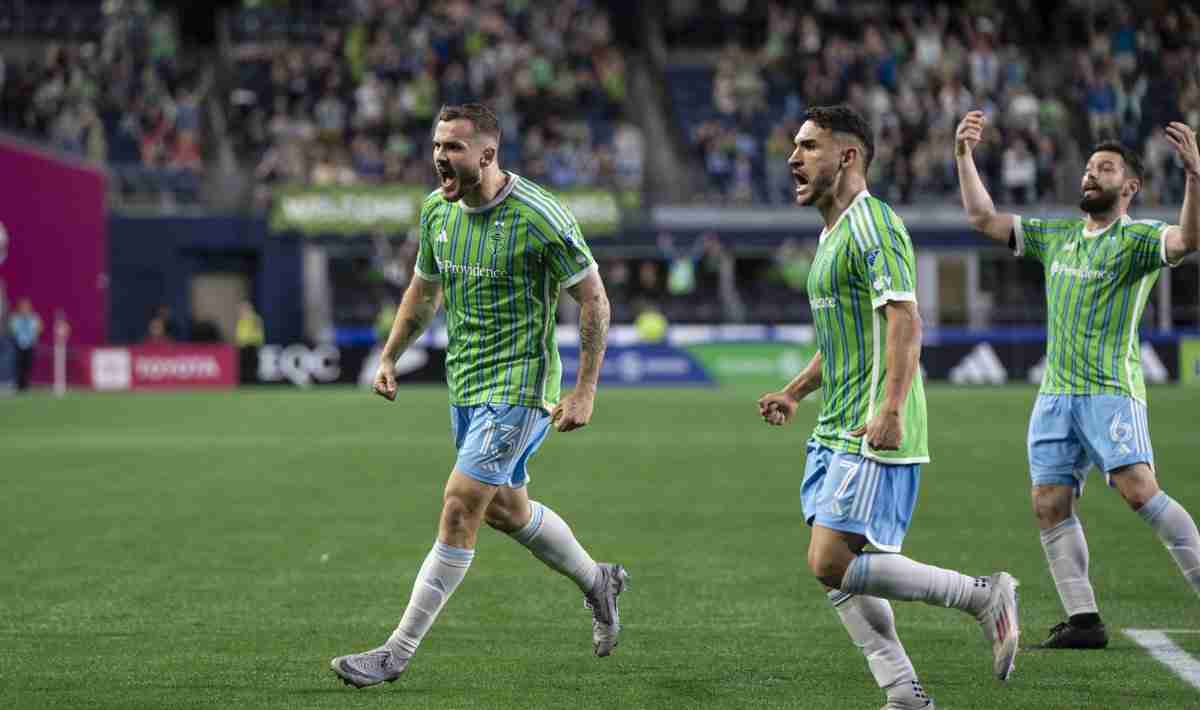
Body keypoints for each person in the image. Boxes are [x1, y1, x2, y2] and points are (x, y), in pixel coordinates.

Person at [330, 103, 626, 689]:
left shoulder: (539, 215)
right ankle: (599, 581)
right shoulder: (436, 211)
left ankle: (395, 653)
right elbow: (423, 291)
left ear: (487, 154)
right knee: (505, 509)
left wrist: (585, 389)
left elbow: (593, 298)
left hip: (521, 384)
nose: (440, 156)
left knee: (460, 504)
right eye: (437, 145)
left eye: (453, 147)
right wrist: (389, 355)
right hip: (465, 383)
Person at [757, 105, 1019, 710]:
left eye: (809, 146)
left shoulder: (874, 225)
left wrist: (892, 408)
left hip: (871, 424)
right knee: (839, 571)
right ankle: (904, 692)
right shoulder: (831, 235)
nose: (794, 158)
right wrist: (794, 392)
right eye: (795, 146)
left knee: (830, 561)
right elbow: (843, 341)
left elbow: (905, 319)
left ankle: (982, 595)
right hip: (835, 426)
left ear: (848, 156)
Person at [955, 110, 1200, 649]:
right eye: (1089, 167)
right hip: (1055, 396)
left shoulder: (1139, 239)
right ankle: (1084, 620)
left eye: (1105, 168)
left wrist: (1193, 176)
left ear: (1130, 187)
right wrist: (964, 156)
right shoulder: (1056, 235)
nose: (1091, 174)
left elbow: (1188, 239)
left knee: (1139, 491)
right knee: (1049, 502)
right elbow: (983, 217)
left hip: (1110, 391)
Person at [9, 298, 42, 391]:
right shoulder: (15, 318)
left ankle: (26, 384)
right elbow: (12, 329)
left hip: (30, 345)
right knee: (19, 365)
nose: (24, 309)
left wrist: (34, 333)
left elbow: (39, 328)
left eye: (26, 307)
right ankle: (19, 385)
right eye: (23, 307)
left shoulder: (34, 318)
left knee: (28, 365)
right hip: (19, 345)